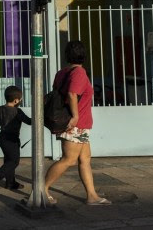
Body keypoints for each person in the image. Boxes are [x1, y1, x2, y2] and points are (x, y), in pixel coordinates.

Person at [44, 40, 111, 206]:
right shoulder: (79, 73)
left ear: (67, 55)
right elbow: (72, 94)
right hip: (76, 124)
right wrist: (74, 117)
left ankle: (92, 195)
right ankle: (42, 189)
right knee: (69, 159)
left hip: (79, 124)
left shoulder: (62, 73)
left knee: (85, 158)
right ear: (84, 55)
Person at [0, 85, 31, 191]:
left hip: (2, 138)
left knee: (8, 160)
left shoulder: (0, 109)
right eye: (20, 99)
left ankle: (10, 183)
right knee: (14, 161)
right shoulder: (18, 112)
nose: (21, 101)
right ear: (16, 100)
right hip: (12, 140)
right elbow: (29, 122)